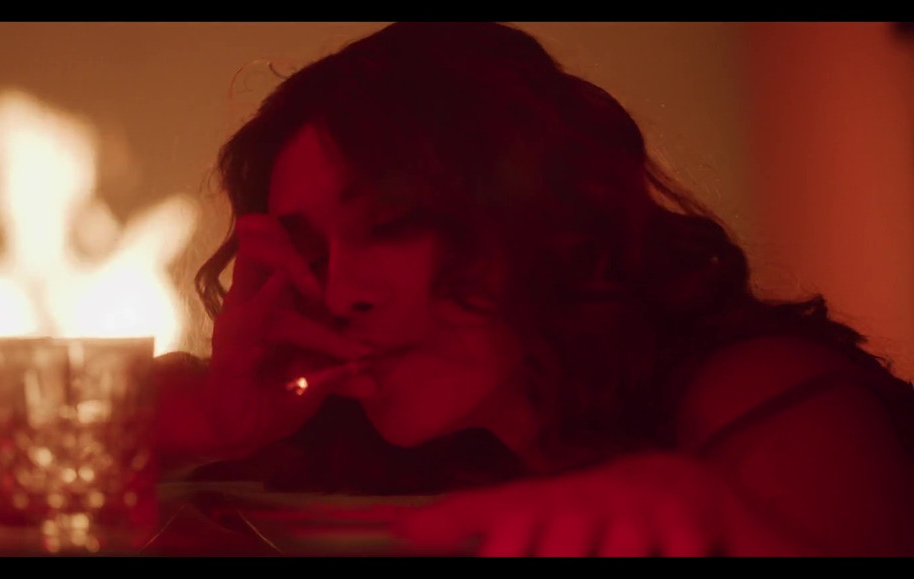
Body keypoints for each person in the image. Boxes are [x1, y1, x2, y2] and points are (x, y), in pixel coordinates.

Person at [150, 22, 914, 557]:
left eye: (389, 222)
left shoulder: (760, 397)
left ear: (534, 209)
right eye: (311, 252)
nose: (342, 290)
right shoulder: (406, 461)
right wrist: (210, 424)